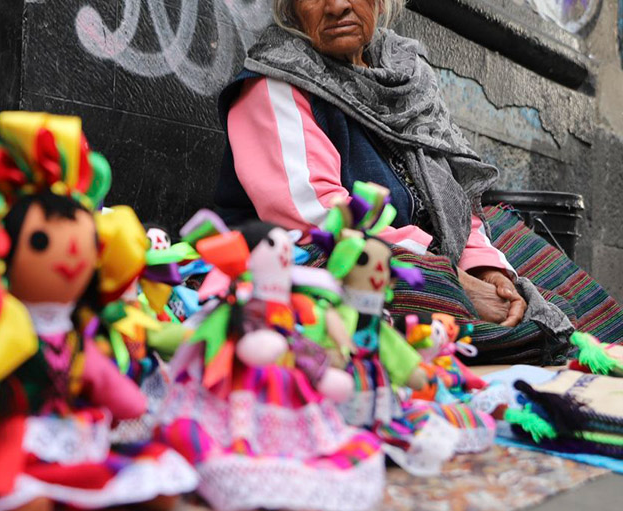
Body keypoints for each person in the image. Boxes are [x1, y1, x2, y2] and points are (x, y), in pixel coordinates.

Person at [215, 0, 623, 363]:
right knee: (402, 281)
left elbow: (455, 197)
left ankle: (550, 334)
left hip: (428, 249)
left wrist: (484, 270)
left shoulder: (406, 74)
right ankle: (527, 337)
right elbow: (317, 216)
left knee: (522, 254)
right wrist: (450, 277)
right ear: (290, 9)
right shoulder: (275, 82)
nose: (337, 6)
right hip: (317, 256)